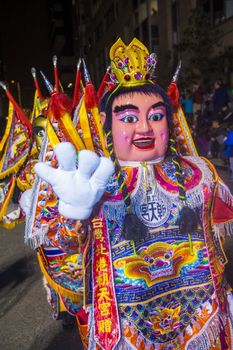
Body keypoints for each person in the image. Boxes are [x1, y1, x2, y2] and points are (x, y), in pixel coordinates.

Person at [21, 38, 233, 349]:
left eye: (156, 116)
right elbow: (65, 270)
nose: (145, 128)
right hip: (125, 329)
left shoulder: (199, 175)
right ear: (106, 122)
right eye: (130, 118)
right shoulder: (92, 183)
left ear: (170, 121)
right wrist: (71, 216)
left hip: (204, 323)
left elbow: (218, 242)